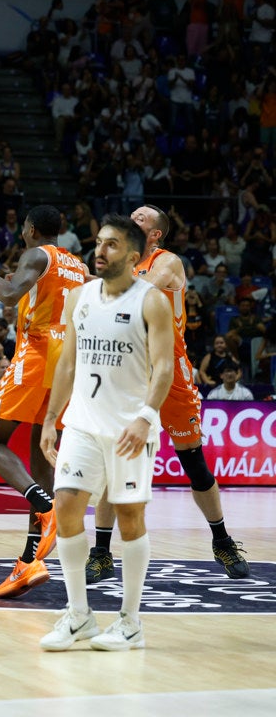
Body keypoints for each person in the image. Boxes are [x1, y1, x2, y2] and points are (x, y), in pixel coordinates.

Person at [87, 206, 250, 583]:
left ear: (155, 234)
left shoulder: (167, 262)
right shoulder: (117, 262)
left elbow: (138, 289)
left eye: (142, 216)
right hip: (129, 369)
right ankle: (100, 551)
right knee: (116, 462)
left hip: (170, 370)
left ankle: (221, 540)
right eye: (132, 213)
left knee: (194, 464)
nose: (134, 215)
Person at [37, 214, 174, 652]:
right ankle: (79, 615)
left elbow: (165, 367)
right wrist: (51, 418)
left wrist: (146, 417)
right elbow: (67, 364)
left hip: (128, 430)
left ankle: (131, 622)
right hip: (81, 424)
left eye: (112, 245)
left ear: (134, 256)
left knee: (130, 518)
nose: (100, 250)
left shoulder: (151, 301)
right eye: (99, 242)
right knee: (66, 509)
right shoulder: (78, 296)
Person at [0, 204, 88, 598]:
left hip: (37, 353)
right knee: (40, 452)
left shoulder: (38, 254)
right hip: (70, 360)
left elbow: (11, 297)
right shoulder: (77, 266)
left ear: (30, 229)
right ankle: (31, 561)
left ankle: (47, 508)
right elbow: (38, 293)